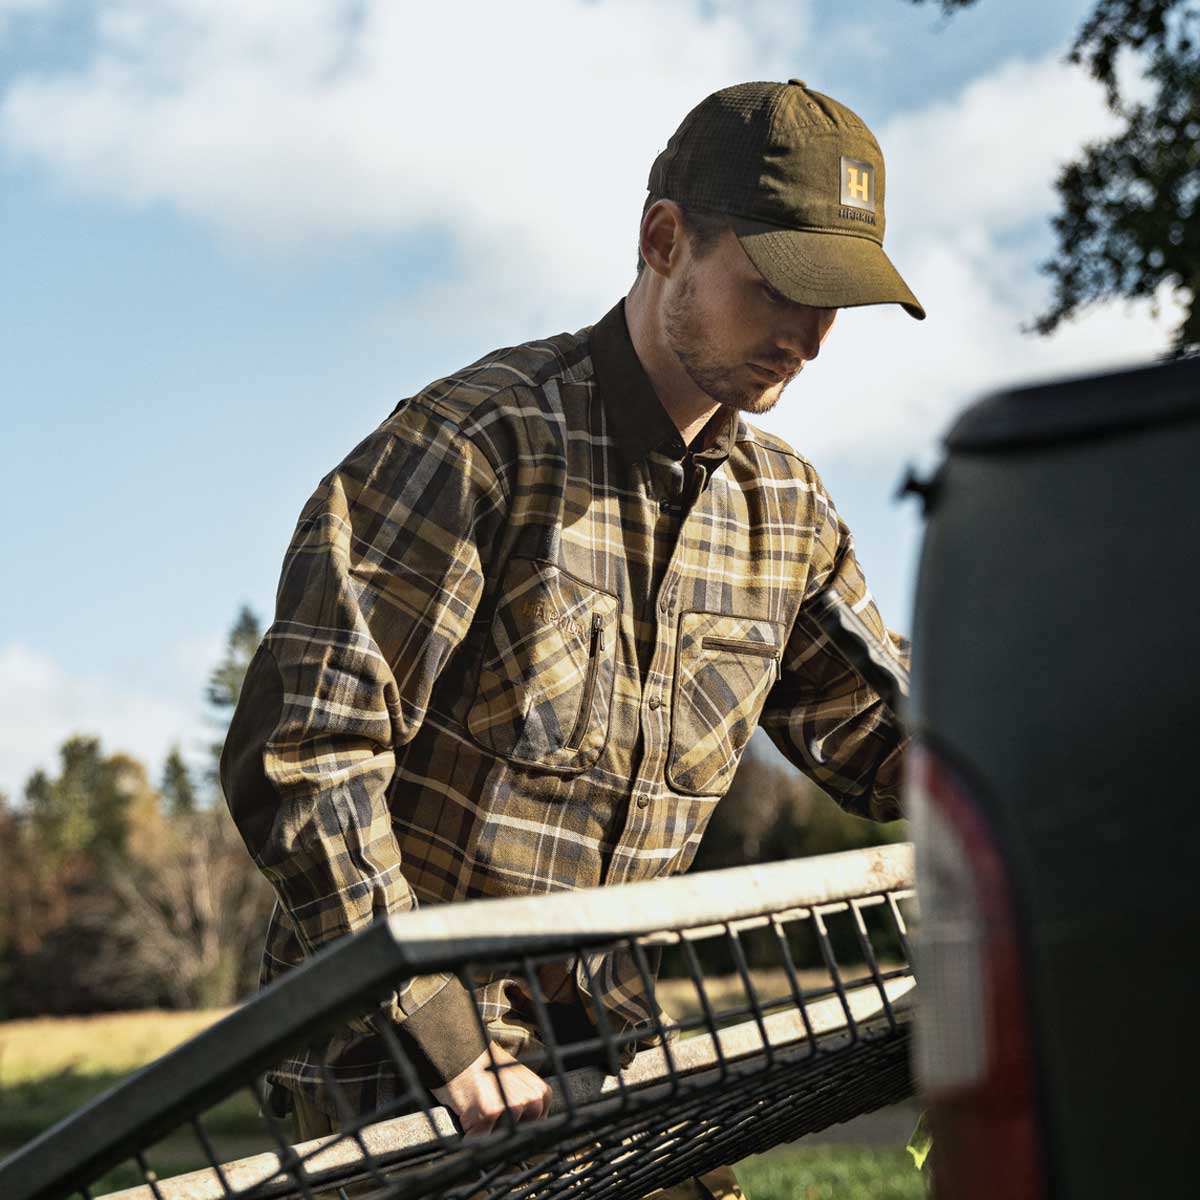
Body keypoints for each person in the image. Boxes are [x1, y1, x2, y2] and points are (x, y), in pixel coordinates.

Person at [221, 78, 922, 1199]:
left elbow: (896, 740)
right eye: (780, 287)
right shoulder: (477, 449)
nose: (811, 338)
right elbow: (307, 753)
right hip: (394, 1078)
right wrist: (444, 1039)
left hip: (606, 1057)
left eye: (838, 303)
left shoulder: (785, 513)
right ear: (663, 240)